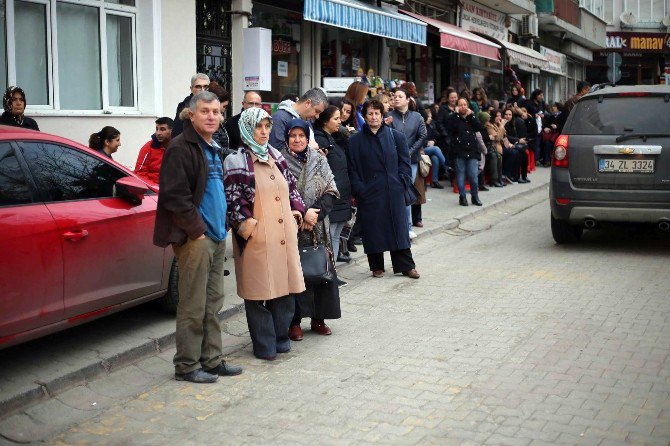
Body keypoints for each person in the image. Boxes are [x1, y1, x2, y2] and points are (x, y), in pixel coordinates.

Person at [154, 90, 243, 383]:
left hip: (217, 237)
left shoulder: (213, 146)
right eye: (205, 111)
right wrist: (198, 231)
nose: (211, 116)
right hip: (197, 238)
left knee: (213, 302)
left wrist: (224, 225)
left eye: (216, 112)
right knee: (193, 304)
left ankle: (212, 359)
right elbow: (174, 196)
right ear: (191, 114)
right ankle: (187, 365)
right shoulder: (180, 147)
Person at [223, 107, 306, 361]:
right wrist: (248, 229)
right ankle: (264, 344)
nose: (263, 132)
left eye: (267, 126)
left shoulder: (275, 156)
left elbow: (292, 188)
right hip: (258, 239)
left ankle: (280, 338)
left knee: (285, 292)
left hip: (284, 237)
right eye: (258, 127)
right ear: (247, 129)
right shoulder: (236, 160)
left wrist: (296, 213)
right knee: (258, 296)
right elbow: (233, 201)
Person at [281, 120, 341, 341]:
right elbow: (279, 194)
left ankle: (319, 319)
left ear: (308, 138)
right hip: (291, 226)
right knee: (296, 275)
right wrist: (302, 214)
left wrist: (314, 213)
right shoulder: (279, 160)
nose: (297, 140)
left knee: (320, 271)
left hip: (318, 227)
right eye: (292, 136)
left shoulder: (319, 159)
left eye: (301, 136)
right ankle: (294, 322)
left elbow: (330, 188)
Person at [348, 100, 420, 280]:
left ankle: (406, 266)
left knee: (399, 229)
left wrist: (402, 181)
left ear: (382, 115)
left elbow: (405, 163)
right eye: (370, 114)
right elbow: (352, 169)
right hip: (369, 193)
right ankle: (376, 265)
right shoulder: (355, 140)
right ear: (365, 116)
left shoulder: (396, 137)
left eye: (377, 114)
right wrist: (360, 189)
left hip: (393, 190)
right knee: (373, 230)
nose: (373, 117)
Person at [314, 105, 352, 269]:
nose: (340, 121)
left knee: (336, 236)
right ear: (325, 120)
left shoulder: (334, 138)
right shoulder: (320, 140)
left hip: (342, 195)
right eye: (336, 118)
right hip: (332, 197)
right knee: (328, 237)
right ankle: (327, 273)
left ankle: (333, 273)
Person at [389, 89, 427, 234]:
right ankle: (395, 226)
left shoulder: (417, 117)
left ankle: (407, 227)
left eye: (400, 96)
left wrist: (409, 152)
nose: (396, 98)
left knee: (405, 189)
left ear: (408, 99)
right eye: (395, 96)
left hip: (411, 161)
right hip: (393, 160)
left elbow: (422, 135)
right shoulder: (389, 116)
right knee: (396, 191)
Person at [448, 98, 484, 207]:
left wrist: (471, 116)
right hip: (459, 150)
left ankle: (475, 196)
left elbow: (479, 128)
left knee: (473, 175)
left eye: (465, 104)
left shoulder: (471, 117)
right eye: (460, 105)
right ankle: (462, 197)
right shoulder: (453, 118)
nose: (463, 106)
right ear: (457, 107)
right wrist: (455, 114)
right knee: (461, 175)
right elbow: (451, 128)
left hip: (472, 150)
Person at [135, 118, 173, 184]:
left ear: (171, 130)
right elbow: (139, 173)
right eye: (157, 129)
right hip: (153, 190)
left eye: (162, 129)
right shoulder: (147, 148)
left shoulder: (179, 147)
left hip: (175, 189)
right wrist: (153, 187)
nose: (158, 133)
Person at [171, 73, 210, 138]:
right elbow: (177, 132)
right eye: (198, 87)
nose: (203, 90)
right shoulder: (184, 107)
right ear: (191, 89)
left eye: (205, 87)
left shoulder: (213, 104)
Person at [207, 82, 234, 160]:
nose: (224, 110)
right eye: (224, 106)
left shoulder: (218, 121)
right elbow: (216, 148)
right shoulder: (211, 122)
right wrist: (238, 153)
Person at [423, 106, 447, 189]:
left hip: (429, 147)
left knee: (435, 158)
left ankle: (434, 181)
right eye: (428, 116)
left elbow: (437, 135)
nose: (430, 118)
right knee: (436, 149)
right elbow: (419, 139)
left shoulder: (431, 124)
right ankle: (446, 166)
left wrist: (433, 140)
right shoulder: (421, 125)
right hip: (421, 149)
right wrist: (427, 142)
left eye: (430, 116)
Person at [505, 108, 530, 183]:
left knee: (524, 154)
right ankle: (516, 176)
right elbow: (506, 137)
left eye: (510, 115)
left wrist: (518, 141)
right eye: (506, 114)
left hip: (512, 144)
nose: (508, 116)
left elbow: (514, 136)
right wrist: (518, 140)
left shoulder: (512, 124)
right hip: (505, 145)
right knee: (518, 153)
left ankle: (524, 176)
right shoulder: (503, 124)